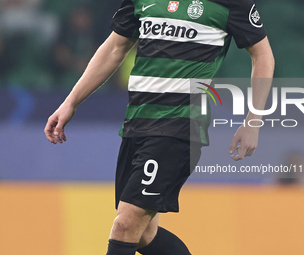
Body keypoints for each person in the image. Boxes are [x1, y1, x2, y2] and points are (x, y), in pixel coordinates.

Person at [44, 0, 275, 254]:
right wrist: (71, 102)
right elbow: (115, 47)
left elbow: (262, 54)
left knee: (124, 226)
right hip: (137, 122)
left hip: (179, 126)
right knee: (143, 234)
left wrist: (253, 120)